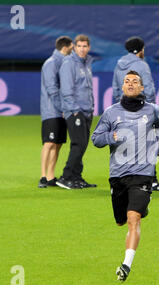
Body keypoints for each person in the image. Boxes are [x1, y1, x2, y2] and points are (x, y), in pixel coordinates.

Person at [92, 70, 159, 282]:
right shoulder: (110, 113)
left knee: (133, 219)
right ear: (122, 87)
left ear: (142, 88)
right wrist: (111, 136)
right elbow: (96, 139)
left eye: (135, 81)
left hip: (143, 173)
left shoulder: (152, 110)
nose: (131, 84)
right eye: (127, 81)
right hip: (118, 175)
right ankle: (141, 206)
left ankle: (126, 265)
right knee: (121, 221)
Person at [112, 36, 159, 191]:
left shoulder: (119, 65)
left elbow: (116, 89)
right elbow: (148, 88)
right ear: (140, 50)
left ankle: (125, 178)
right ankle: (151, 180)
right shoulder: (141, 65)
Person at [56, 34, 97, 189]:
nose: (82, 49)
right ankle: (66, 177)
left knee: (83, 145)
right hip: (75, 111)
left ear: (89, 47)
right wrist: (74, 110)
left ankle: (77, 177)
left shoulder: (86, 63)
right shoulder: (69, 63)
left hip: (86, 110)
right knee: (78, 144)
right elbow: (66, 89)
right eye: (79, 46)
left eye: (85, 46)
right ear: (74, 46)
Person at [39, 36, 73, 188]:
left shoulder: (63, 62)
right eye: (72, 47)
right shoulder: (51, 63)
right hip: (51, 110)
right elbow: (52, 89)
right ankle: (43, 176)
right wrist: (62, 108)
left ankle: (51, 176)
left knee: (58, 143)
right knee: (49, 142)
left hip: (60, 111)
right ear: (65, 47)